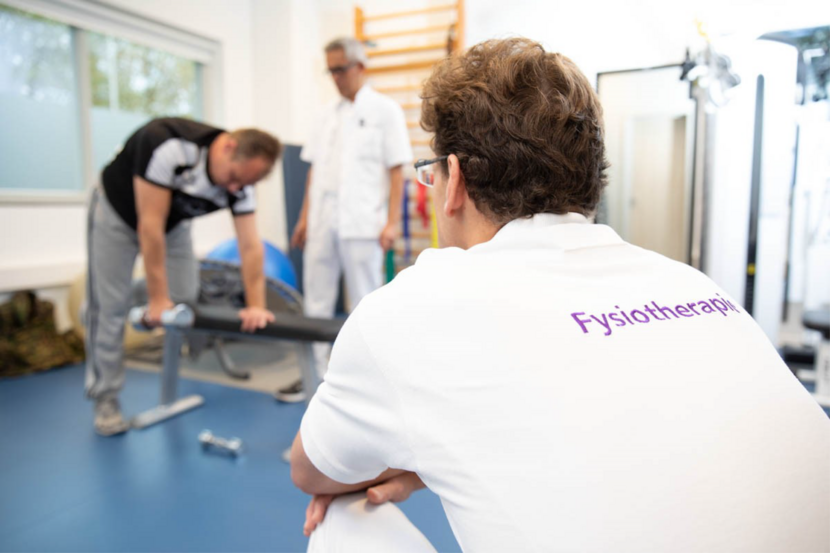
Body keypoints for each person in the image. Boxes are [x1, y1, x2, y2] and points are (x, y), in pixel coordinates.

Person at [290, 38, 830, 551]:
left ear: (453, 179)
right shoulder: (689, 281)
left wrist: (416, 458)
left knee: (342, 509)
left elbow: (310, 471)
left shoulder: (411, 306)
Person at [85, 117, 281, 436]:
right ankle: (105, 396)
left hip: (173, 224)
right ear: (227, 147)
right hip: (116, 214)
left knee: (184, 297)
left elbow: (249, 246)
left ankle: (120, 295)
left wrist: (256, 305)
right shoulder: (168, 145)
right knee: (110, 310)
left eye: (243, 185)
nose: (234, 189)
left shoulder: (241, 185)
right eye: (233, 178)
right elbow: (150, 226)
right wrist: (157, 299)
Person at [276, 37, 413, 403]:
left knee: (365, 301)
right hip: (322, 219)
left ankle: (366, 382)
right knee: (316, 300)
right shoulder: (324, 115)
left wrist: (392, 222)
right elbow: (314, 171)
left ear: (360, 67)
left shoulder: (385, 110)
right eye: (331, 71)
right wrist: (304, 218)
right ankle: (315, 376)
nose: (336, 77)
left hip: (363, 221)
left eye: (341, 69)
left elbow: (397, 171)